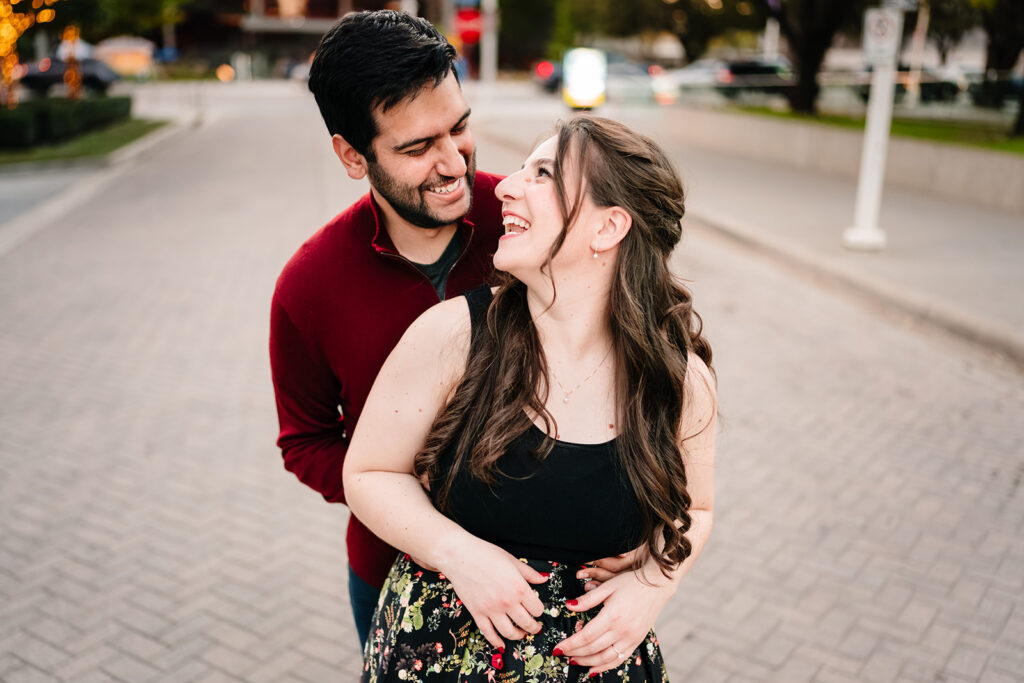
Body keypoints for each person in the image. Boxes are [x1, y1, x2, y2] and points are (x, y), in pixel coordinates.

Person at [343, 115, 717, 681]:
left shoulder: (677, 379)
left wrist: (653, 586)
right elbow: (369, 472)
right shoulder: (454, 334)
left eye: (542, 173)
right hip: (439, 660)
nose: (505, 186)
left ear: (609, 227)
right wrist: (458, 554)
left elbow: (697, 510)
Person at [269, 10, 506, 647]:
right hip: (390, 576)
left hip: (546, 566)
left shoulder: (526, 220)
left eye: (458, 128)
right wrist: (398, 485)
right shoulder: (308, 285)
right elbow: (305, 442)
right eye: (418, 147)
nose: (453, 162)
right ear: (352, 155)